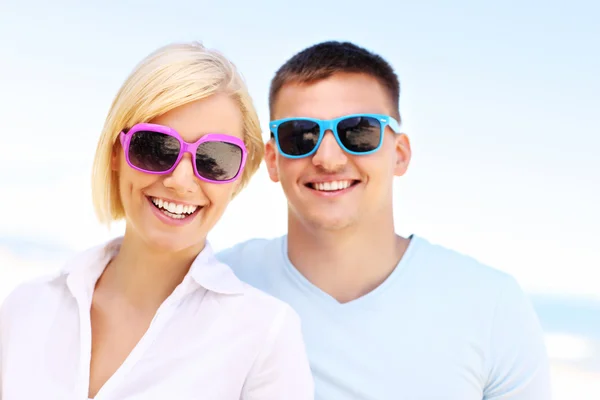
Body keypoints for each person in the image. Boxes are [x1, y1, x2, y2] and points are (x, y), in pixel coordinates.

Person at [216, 41, 552, 399]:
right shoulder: (219, 287)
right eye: (300, 136)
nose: (328, 158)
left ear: (400, 154)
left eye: (358, 132)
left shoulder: (493, 306)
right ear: (272, 159)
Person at [0, 42, 314, 399]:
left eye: (215, 159)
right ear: (117, 153)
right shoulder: (25, 309)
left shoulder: (265, 337)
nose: (180, 181)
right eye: (156, 147)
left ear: (238, 177)